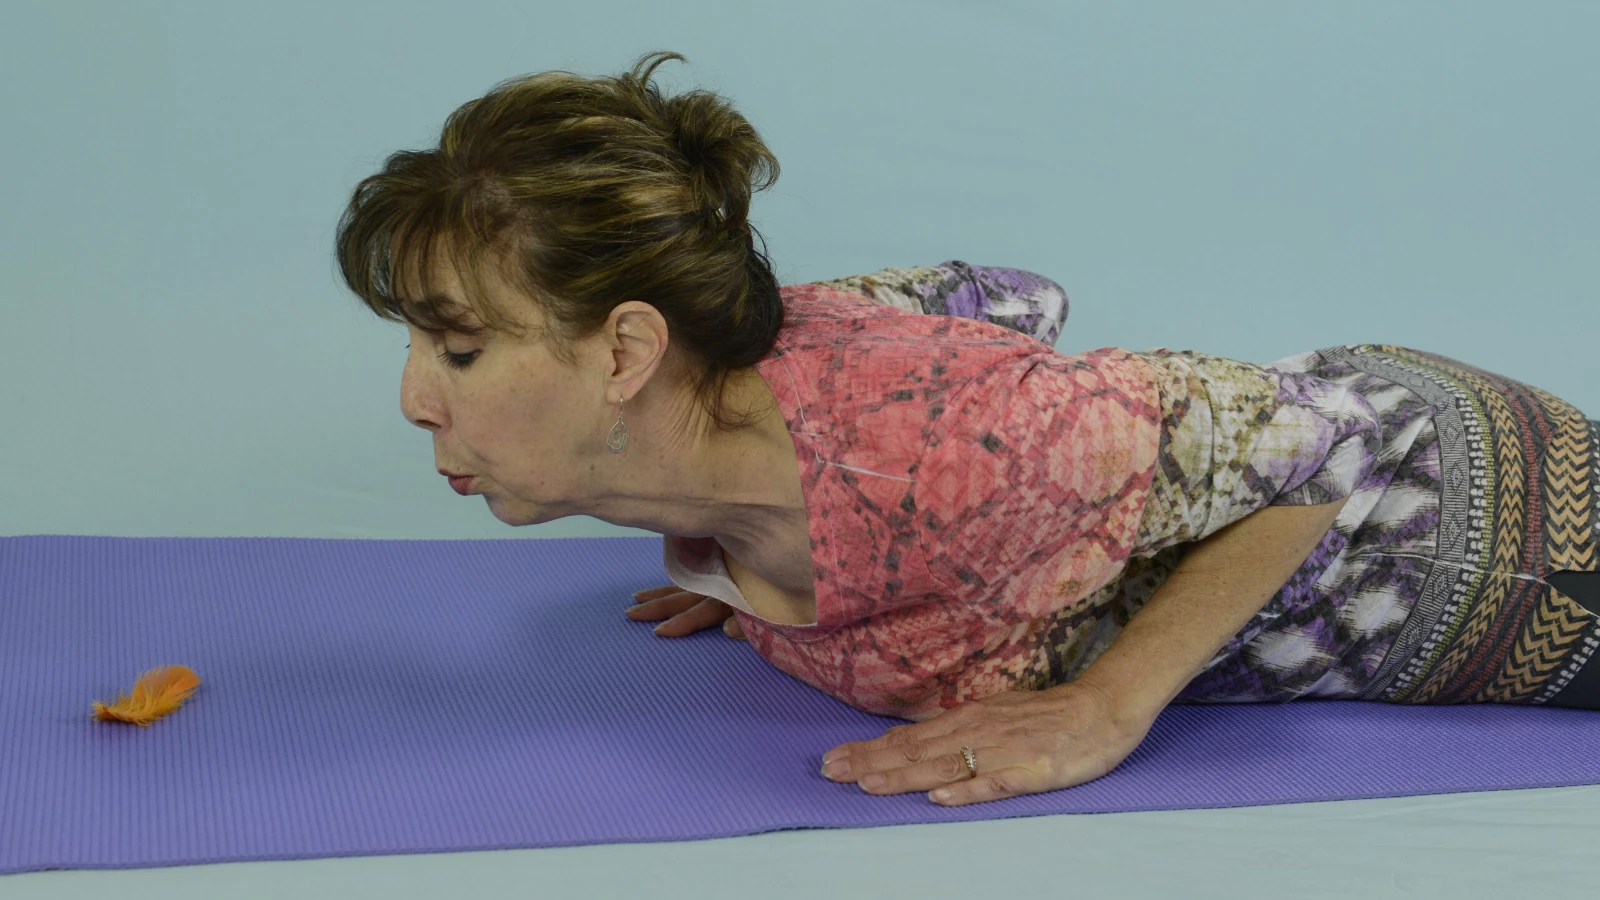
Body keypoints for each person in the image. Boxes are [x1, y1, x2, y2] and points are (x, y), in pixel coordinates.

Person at [334, 50, 1599, 808]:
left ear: (625, 353)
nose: (414, 399)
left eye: (457, 347)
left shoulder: (929, 454)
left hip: (1504, 540)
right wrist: (737, 544)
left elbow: (1325, 446)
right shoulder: (745, 437)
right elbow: (1007, 298)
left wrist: (1109, 704)